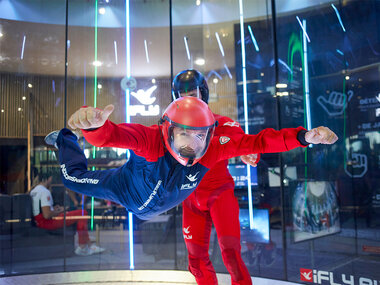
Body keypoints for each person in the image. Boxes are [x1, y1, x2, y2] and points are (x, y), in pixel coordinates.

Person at [45, 96, 337, 224]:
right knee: (71, 178)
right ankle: (63, 138)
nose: (193, 144)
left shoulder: (213, 147)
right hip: (124, 188)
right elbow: (113, 135)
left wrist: (304, 138)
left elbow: (260, 141)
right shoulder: (151, 140)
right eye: (184, 134)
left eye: (200, 136)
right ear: (168, 130)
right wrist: (92, 126)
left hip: (157, 204)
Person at [171, 69, 256, 284]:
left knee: (231, 256)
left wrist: (250, 151)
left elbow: (244, 142)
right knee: (196, 262)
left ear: (203, 94)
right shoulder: (171, 129)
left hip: (220, 195)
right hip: (190, 199)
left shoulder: (222, 123)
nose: (187, 100)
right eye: (182, 95)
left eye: (192, 94)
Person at [29, 173, 105, 256]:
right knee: (82, 213)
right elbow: (47, 215)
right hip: (47, 222)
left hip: (40, 221)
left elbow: (42, 211)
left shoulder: (34, 191)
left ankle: (88, 244)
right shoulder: (45, 192)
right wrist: (59, 211)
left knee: (78, 214)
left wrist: (55, 209)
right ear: (49, 179)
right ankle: (83, 246)